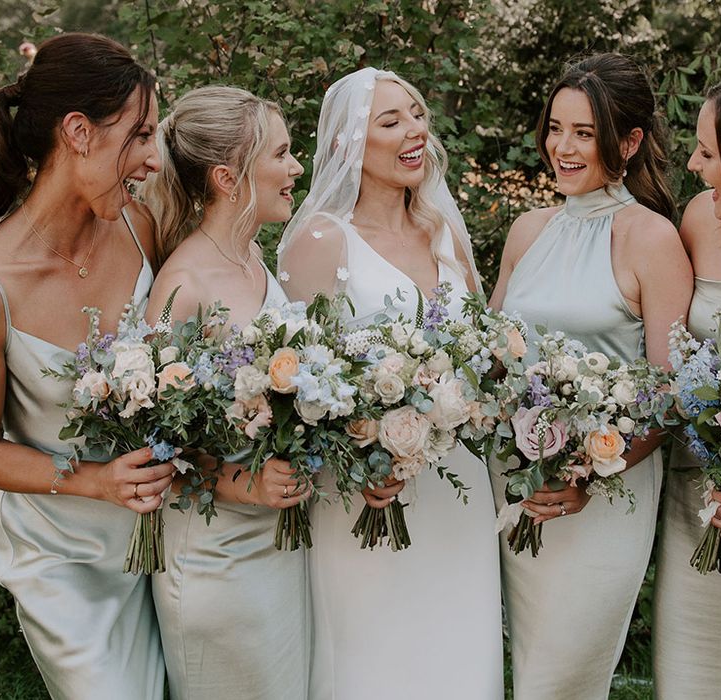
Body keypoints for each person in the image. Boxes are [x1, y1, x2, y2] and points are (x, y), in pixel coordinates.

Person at [278, 66, 503, 700]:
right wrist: (365, 453)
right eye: (390, 120)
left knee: (461, 658)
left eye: (416, 114)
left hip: (456, 491)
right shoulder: (320, 242)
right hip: (364, 495)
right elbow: (297, 388)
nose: (415, 131)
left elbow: (484, 356)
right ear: (350, 142)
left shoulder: (444, 231)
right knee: (373, 662)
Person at [488, 53, 693, 699]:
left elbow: (670, 392)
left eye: (584, 132)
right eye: (556, 128)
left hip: (605, 495)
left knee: (563, 679)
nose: (563, 148)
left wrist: (588, 473)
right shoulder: (526, 231)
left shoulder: (651, 238)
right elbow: (490, 356)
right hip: (519, 484)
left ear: (628, 142)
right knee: (528, 671)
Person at [0, 33, 168, 700]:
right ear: (78, 132)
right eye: (141, 135)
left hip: (168, 532)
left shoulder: (142, 228)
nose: (154, 159)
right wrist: (95, 480)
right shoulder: (0, 283)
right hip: (62, 559)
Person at [142, 85, 309, 700]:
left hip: (278, 544)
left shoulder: (254, 261)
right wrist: (244, 486)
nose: (296, 169)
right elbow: (153, 439)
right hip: (216, 556)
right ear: (227, 178)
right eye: (282, 154)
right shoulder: (182, 285)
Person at [653, 69, 721, 699]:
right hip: (699, 504)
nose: (693, 164)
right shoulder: (699, 218)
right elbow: (677, 358)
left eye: (708, 152)